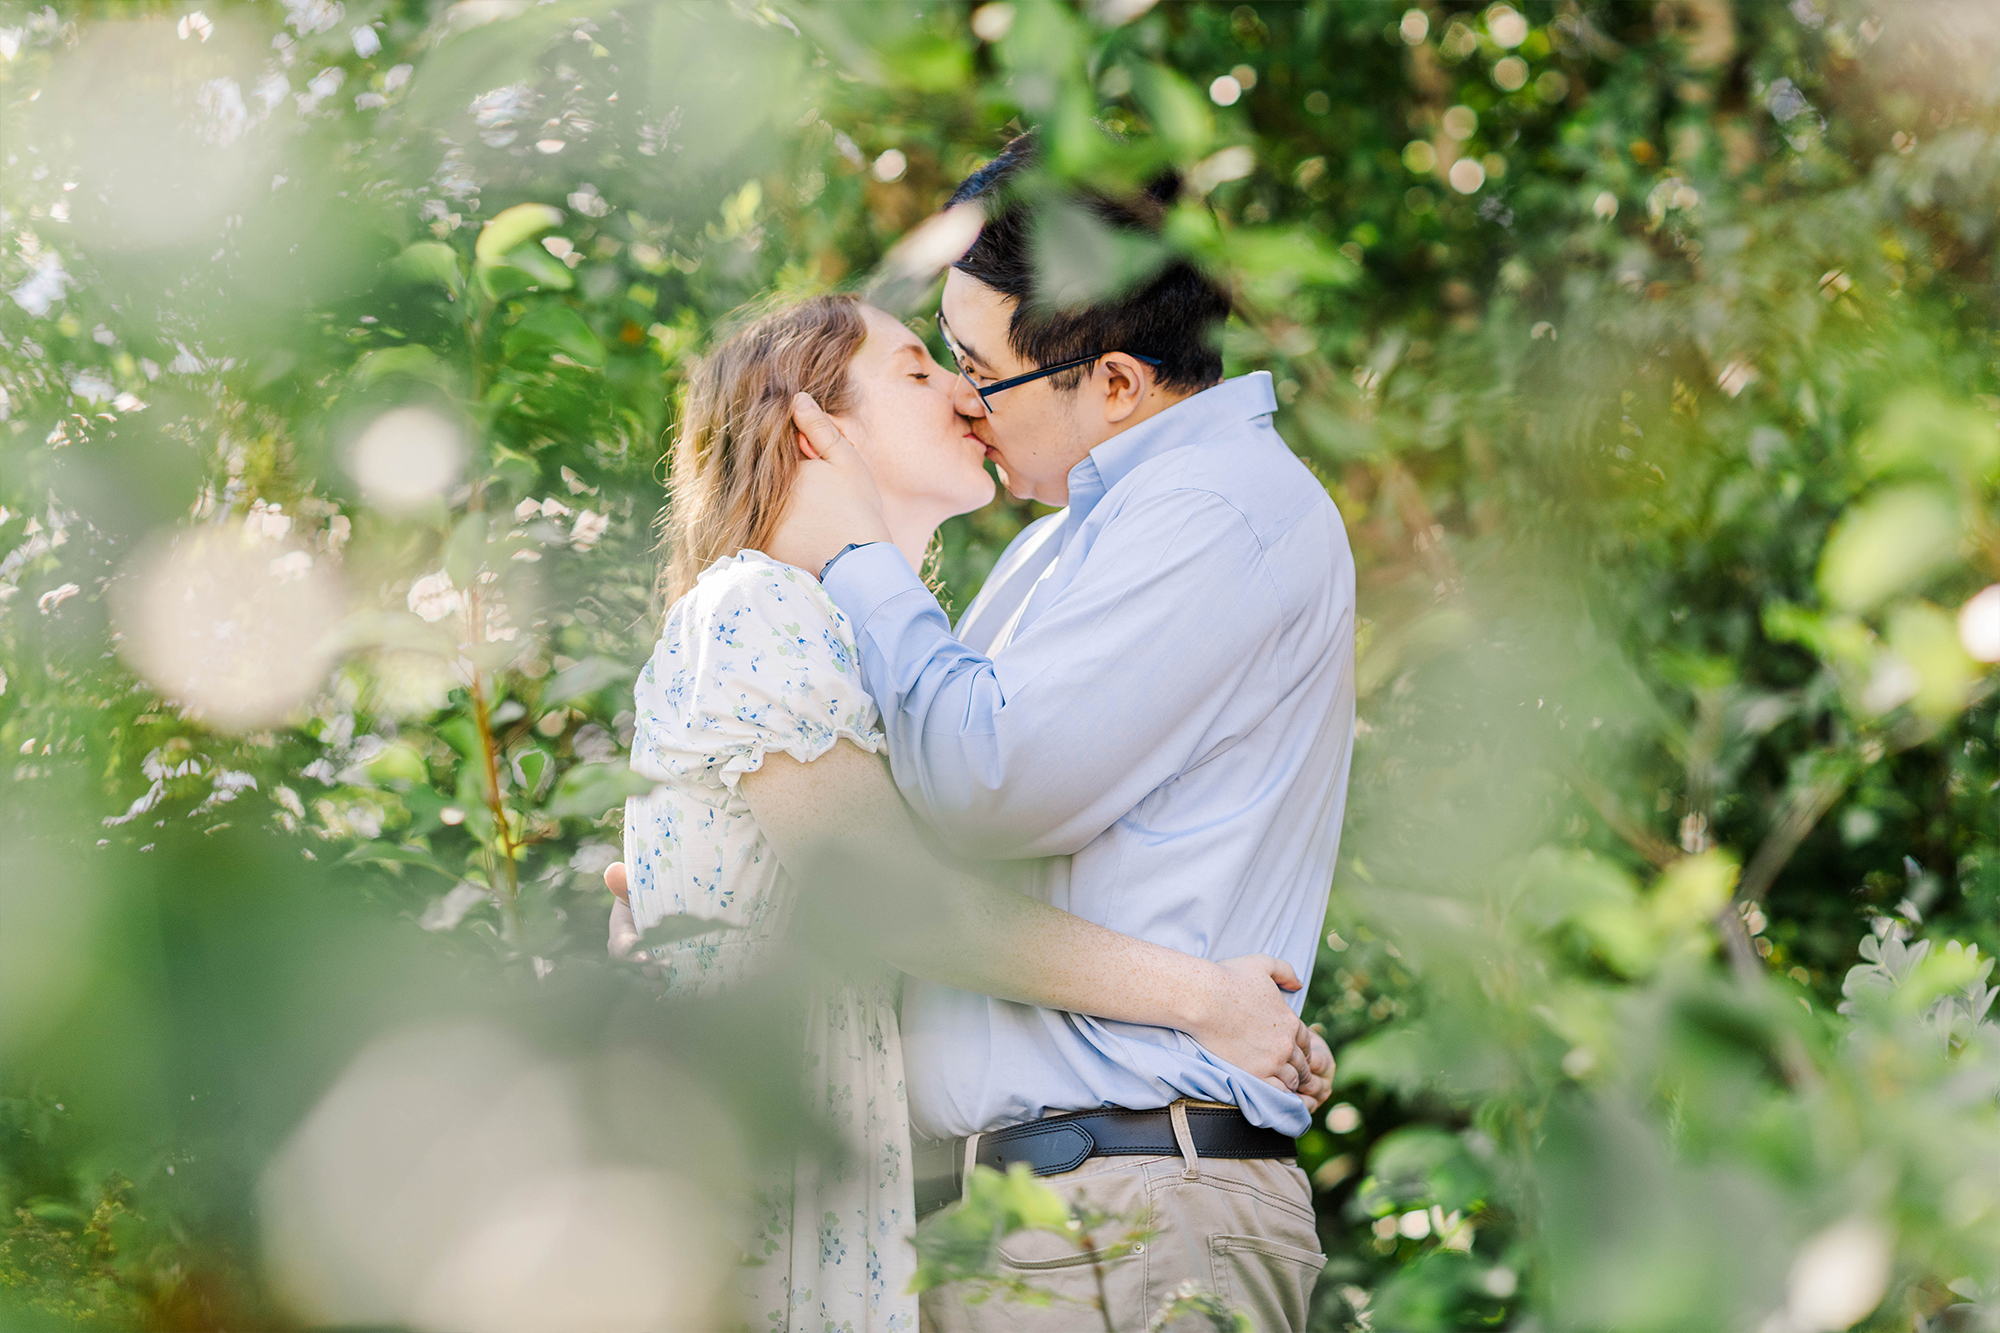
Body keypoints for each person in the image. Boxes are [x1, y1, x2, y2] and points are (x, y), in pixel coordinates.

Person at [600, 290, 1333, 1333]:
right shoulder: (757, 609)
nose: (964, 390)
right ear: (814, 428)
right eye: (919, 369)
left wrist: (1244, 1033)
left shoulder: (866, 648)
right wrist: (1203, 998)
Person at [770, 136, 1356, 1332]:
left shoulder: (1213, 511)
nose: (963, 405)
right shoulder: (1064, 542)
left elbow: (984, 785)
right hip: (1041, 1217)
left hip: (1121, 1217)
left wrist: (855, 554)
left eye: (979, 372)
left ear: (1117, 384)